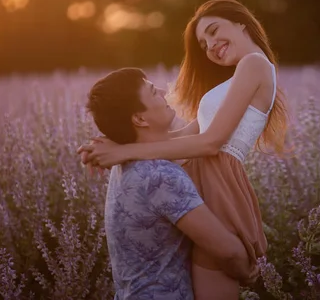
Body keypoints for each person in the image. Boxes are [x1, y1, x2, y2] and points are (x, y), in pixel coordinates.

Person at [79, 0, 289, 299]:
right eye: (204, 44)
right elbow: (184, 136)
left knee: (217, 273)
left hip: (218, 180)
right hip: (203, 174)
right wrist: (118, 142)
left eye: (215, 31)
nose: (212, 45)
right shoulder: (236, 78)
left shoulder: (255, 64)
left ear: (242, 23)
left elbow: (211, 142)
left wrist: (125, 153)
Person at [84, 67, 258, 299]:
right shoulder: (160, 176)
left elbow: (201, 130)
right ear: (139, 118)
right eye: (152, 91)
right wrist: (249, 270)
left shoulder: (125, 162)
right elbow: (228, 251)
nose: (163, 90)